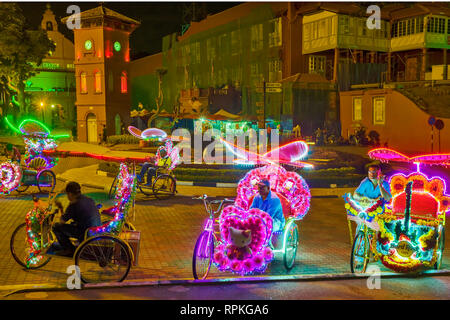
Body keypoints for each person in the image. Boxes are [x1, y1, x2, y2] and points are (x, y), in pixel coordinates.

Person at [50, 182, 101, 256]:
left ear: (70, 194)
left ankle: (68, 249)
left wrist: (60, 208)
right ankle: (72, 245)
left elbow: (62, 221)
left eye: (67, 194)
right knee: (73, 224)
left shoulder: (74, 204)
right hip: (96, 230)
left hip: (86, 233)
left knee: (56, 227)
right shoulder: (88, 199)